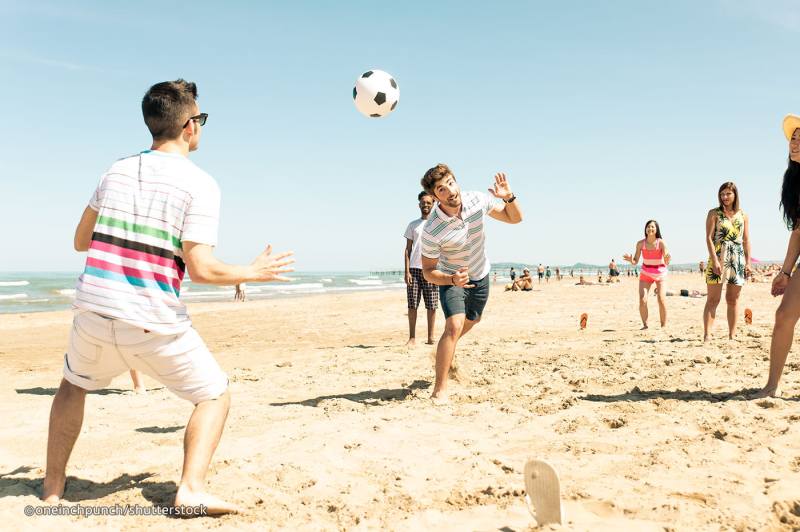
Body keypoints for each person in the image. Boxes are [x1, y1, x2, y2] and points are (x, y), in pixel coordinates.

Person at [42, 79, 294, 515]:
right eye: (202, 119)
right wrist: (252, 272)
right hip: (151, 322)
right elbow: (202, 269)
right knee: (214, 395)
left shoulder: (115, 170)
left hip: (94, 312)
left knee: (73, 386)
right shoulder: (200, 184)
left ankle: (51, 488)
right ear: (189, 125)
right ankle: (191, 489)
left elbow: (81, 241)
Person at [419, 164, 522, 404]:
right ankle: (439, 390)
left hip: (480, 272)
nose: (450, 191)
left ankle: (445, 349)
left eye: (450, 183)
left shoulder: (476, 200)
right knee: (453, 326)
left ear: (456, 181)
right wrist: (451, 279)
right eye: (441, 190)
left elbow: (514, 218)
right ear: (435, 197)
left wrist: (508, 197)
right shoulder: (432, 229)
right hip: (452, 277)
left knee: (473, 320)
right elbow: (428, 271)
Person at [755, 115, 800, 398]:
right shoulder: (794, 181)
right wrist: (785, 273)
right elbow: (798, 231)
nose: (794, 143)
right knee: (784, 315)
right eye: (793, 138)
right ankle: (772, 386)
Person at [702, 182, 751, 341]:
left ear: (735, 195)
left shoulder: (743, 215)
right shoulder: (714, 213)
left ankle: (732, 335)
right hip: (718, 256)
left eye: (728, 193)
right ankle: (707, 334)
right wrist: (715, 260)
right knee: (713, 299)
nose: (725, 197)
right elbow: (709, 238)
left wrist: (748, 262)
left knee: (733, 299)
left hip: (737, 258)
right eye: (722, 194)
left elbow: (746, 240)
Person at [404, 191, 439, 346]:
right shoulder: (413, 225)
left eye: (428, 202)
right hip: (414, 270)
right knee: (412, 304)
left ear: (433, 204)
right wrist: (407, 271)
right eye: (423, 202)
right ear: (419, 204)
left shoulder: (437, 224)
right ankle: (412, 338)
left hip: (432, 269)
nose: (426, 205)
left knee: (432, 305)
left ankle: (431, 337)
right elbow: (407, 249)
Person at [623, 220, 671, 329]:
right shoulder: (640, 244)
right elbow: (635, 261)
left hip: (660, 274)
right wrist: (631, 260)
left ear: (656, 229)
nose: (650, 229)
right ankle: (645, 325)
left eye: (653, 227)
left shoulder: (661, 243)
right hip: (646, 273)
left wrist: (667, 259)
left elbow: (666, 260)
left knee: (661, 299)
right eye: (648, 227)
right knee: (642, 299)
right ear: (645, 229)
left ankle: (663, 326)